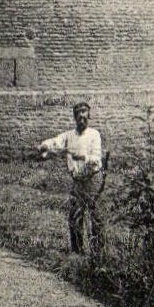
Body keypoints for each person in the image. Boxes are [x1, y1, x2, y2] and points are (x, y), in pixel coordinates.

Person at [39, 102, 107, 255]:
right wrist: (45, 145)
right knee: (74, 216)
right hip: (78, 182)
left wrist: (83, 157)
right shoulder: (69, 136)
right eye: (78, 115)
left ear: (89, 116)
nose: (82, 119)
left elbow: (96, 159)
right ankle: (77, 252)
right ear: (75, 117)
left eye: (84, 115)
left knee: (96, 217)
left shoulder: (94, 135)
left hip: (93, 180)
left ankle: (98, 254)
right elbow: (55, 142)